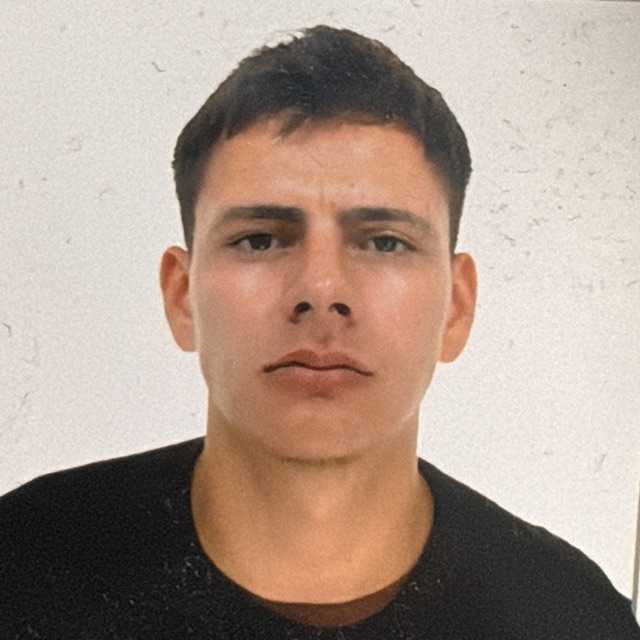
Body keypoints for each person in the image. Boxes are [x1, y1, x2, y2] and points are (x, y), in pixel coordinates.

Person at [1, 25, 638, 639]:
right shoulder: (20, 570)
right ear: (181, 295)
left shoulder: (569, 620)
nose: (322, 289)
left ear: (456, 305)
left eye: (384, 242)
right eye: (260, 239)